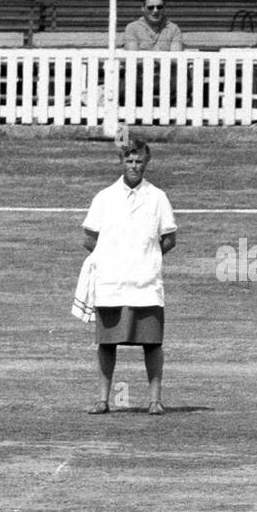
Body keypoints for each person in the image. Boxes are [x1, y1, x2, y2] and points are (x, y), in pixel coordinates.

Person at [82, 139, 177, 416]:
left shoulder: (158, 197)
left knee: (152, 344)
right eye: (129, 161)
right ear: (122, 162)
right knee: (107, 343)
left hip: (146, 284)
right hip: (111, 284)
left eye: (139, 161)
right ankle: (103, 400)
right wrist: (111, 260)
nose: (134, 166)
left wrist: (147, 259)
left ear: (147, 163)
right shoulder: (104, 197)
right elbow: (89, 238)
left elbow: (169, 239)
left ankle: (155, 401)